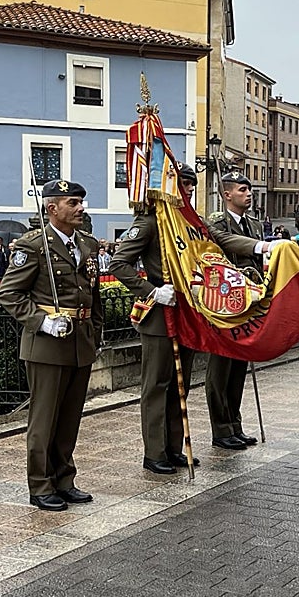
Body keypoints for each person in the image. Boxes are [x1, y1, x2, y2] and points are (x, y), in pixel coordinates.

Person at [0, 179, 102, 512]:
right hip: (47, 343)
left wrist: (95, 335)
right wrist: (41, 320)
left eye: (81, 202)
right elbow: (9, 293)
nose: (81, 208)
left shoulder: (87, 244)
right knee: (44, 420)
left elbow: (93, 295)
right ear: (52, 208)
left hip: (80, 341)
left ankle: (64, 478)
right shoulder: (32, 246)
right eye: (73, 203)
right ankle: (40, 485)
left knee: (70, 417)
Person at [109, 165, 201, 474]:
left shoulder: (188, 224)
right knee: (157, 385)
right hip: (161, 315)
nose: (189, 190)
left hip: (187, 312)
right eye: (184, 185)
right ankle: (154, 452)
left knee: (181, 384)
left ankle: (174, 447)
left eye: (191, 185)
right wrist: (151, 290)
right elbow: (119, 263)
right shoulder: (150, 223)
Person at [204, 171, 287, 451]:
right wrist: (261, 245)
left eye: (249, 189)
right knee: (221, 369)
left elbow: (257, 263)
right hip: (223, 305)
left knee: (239, 366)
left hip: (247, 304)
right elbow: (227, 242)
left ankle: (234, 424)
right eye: (242, 190)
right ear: (227, 194)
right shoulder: (217, 221)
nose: (248, 194)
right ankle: (220, 428)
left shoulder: (253, 222)